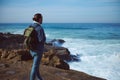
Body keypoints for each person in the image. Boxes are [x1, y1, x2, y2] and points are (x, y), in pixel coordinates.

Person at [29, 13, 46, 80]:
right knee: (35, 66)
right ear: (39, 19)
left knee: (36, 66)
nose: (42, 20)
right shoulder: (39, 28)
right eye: (42, 19)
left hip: (31, 49)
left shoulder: (30, 26)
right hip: (37, 51)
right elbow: (41, 39)